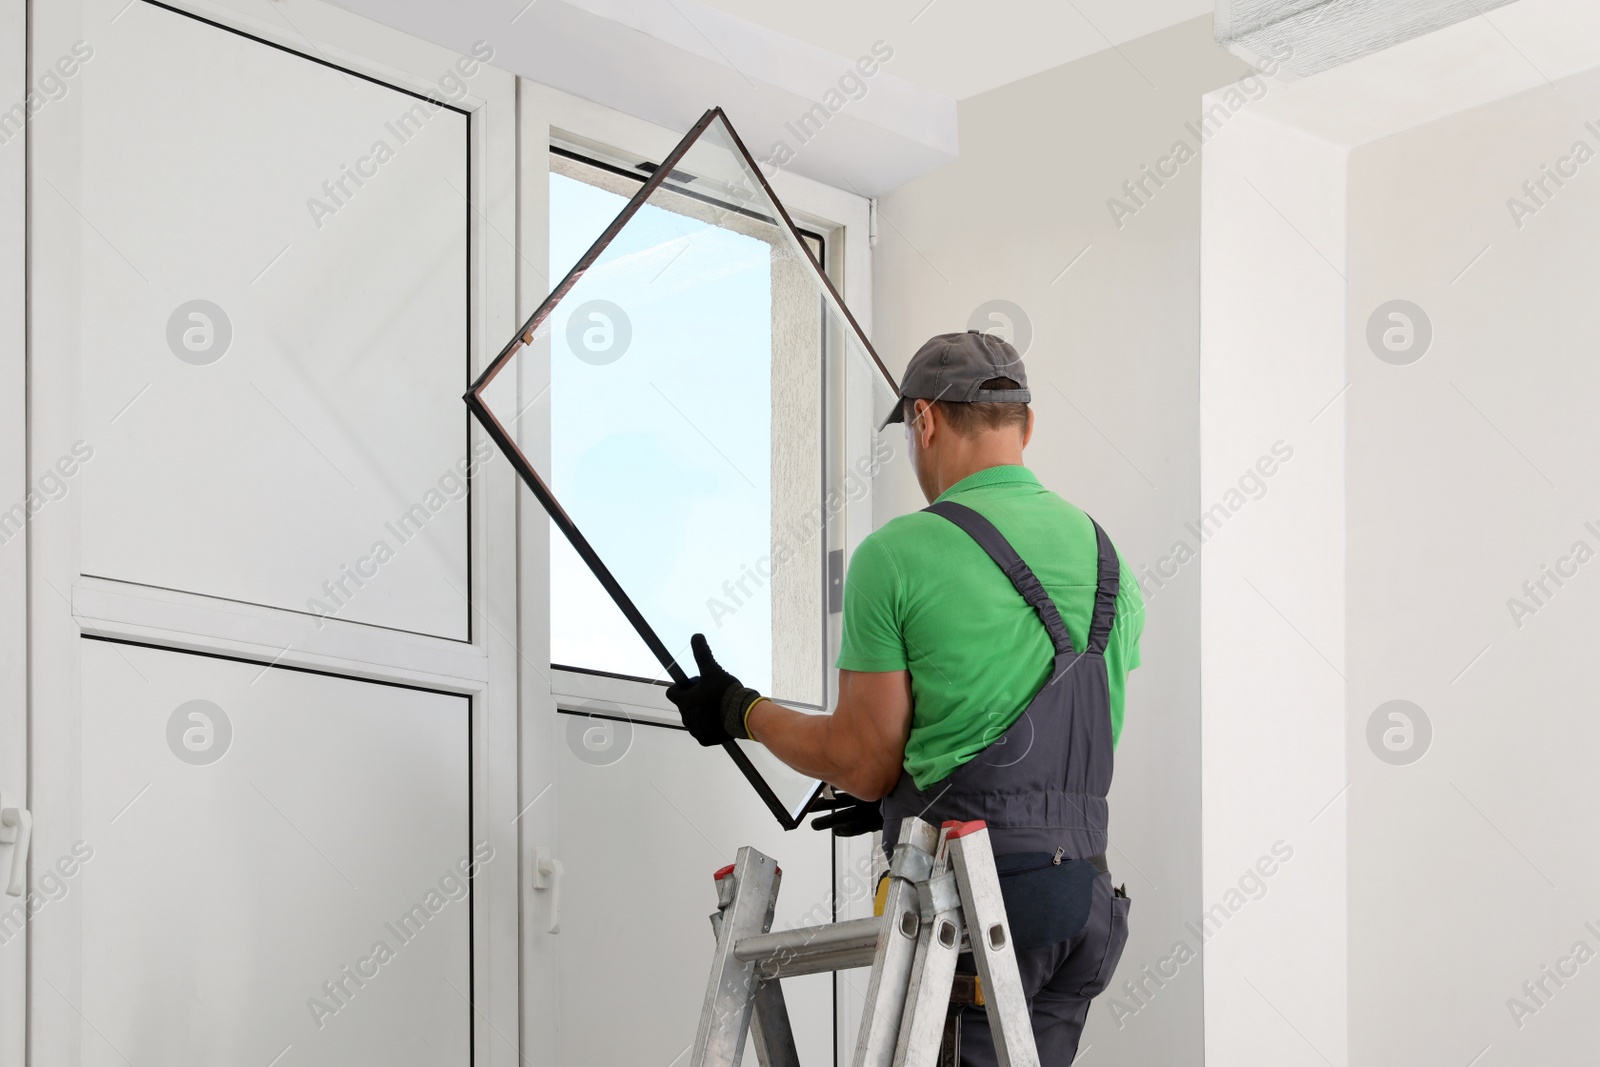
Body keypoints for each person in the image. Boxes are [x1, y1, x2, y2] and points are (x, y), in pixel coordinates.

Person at [666, 330, 1144, 1062]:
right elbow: (1034, 732)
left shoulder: (899, 554)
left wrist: (741, 711)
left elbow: (860, 758)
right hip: (1082, 906)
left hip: (982, 901)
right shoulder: (1112, 560)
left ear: (924, 419)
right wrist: (915, 783)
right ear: (1027, 425)